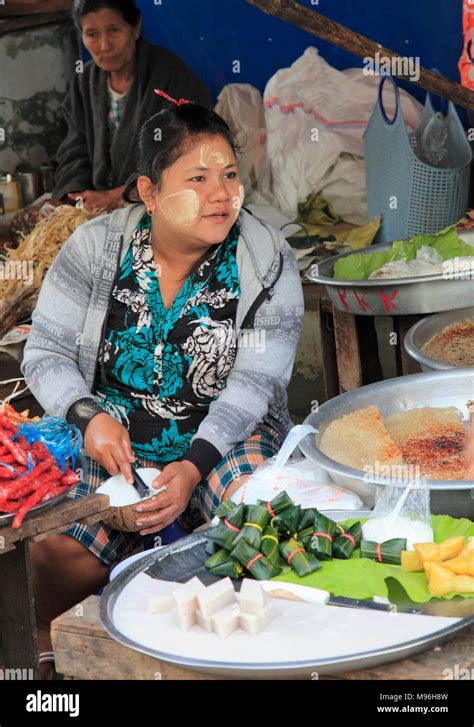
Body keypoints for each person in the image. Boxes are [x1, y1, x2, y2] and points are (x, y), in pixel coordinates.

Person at [23, 97, 304, 675]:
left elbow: (256, 380)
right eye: (197, 179)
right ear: (149, 193)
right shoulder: (96, 248)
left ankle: (228, 655)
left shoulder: (263, 256)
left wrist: (196, 463)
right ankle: (56, 648)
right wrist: (88, 418)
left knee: (261, 523)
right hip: (114, 441)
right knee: (53, 544)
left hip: (224, 437)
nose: (222, 194)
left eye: (229, 175)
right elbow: (45, 351)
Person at [52, 0, 212, 210]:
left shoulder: (169, 76)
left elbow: (181, 152)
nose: (104, 46)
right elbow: (75, 146)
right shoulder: (84, 81)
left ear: (136, 28)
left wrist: (117, 196)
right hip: (97, 205)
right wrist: (72, 195)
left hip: (155, 203)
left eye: (114, 30)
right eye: (92, 34)